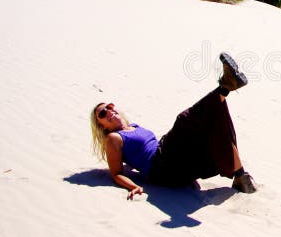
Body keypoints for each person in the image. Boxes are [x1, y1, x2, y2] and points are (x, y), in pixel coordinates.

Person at [90, 52, 257, 199]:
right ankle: (226, 85)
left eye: (109, 106)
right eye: (103, 113)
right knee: (184, 120)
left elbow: (134, 156)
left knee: (212, 125)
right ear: (102, 126)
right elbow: (116, 173)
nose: (109, 111)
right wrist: (134, 186)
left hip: (169, 158)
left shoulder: (132, 126)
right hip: (161, 168)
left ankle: (241, 177)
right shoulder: (113, 138)